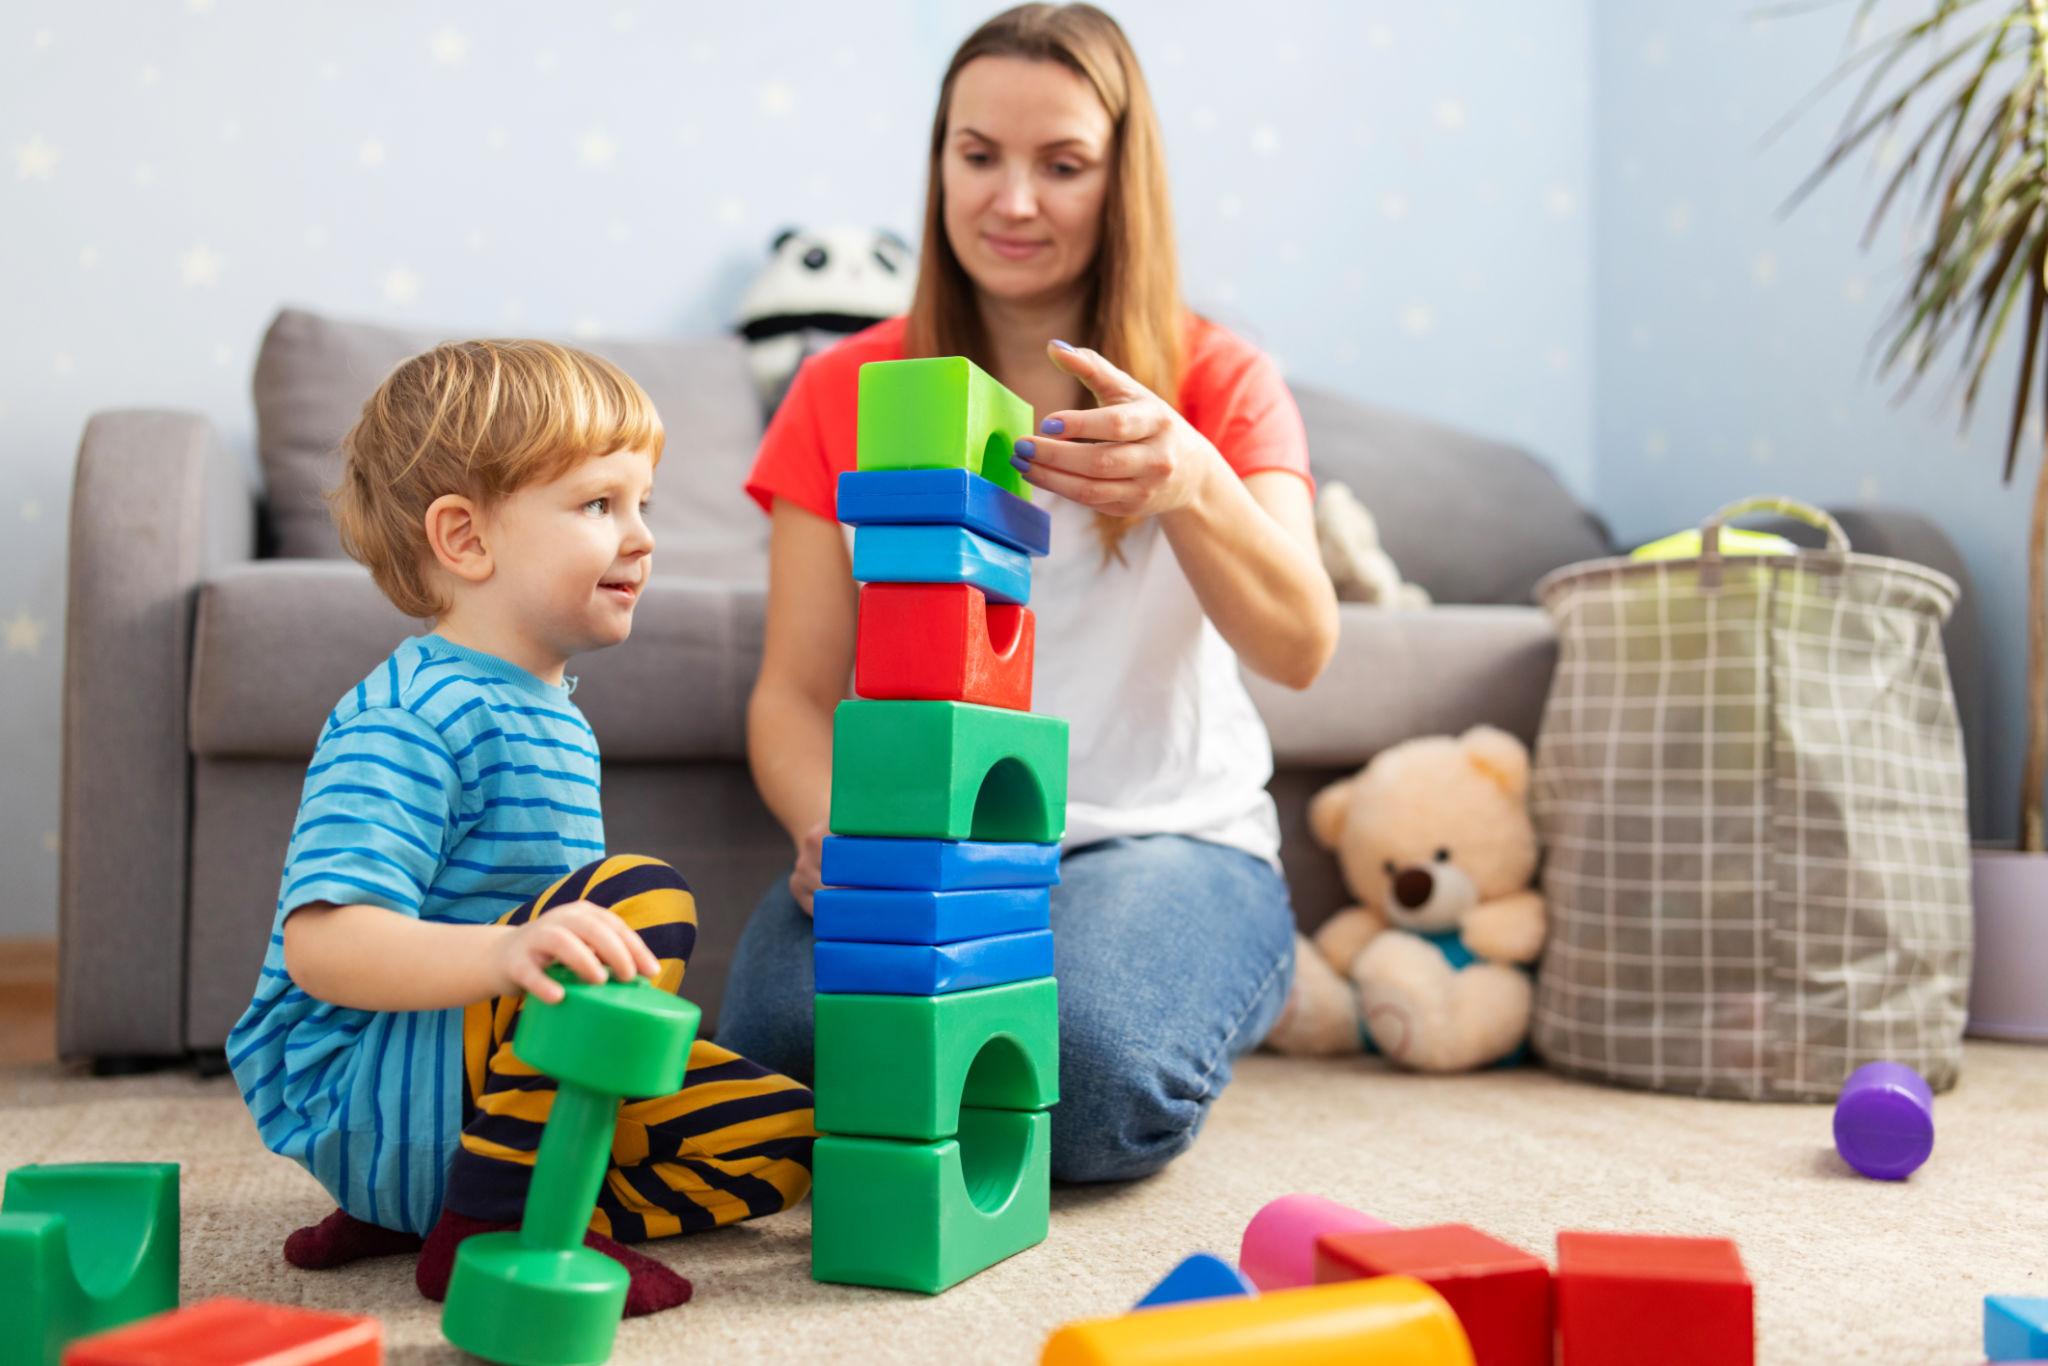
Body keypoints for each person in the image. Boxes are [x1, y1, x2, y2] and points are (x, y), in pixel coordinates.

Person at [719, 3, 1339, 1183]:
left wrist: (1193, 481)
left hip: (1164, 841)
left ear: (1122, 181)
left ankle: (1229, 968)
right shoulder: (839, 390)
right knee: (781, 1069)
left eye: (1061, 166)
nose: (1011, 201)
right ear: (938, 161)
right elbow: (793, 693)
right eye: (976, 156)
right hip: (929, 850)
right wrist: (825, 828)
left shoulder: (1218, 378)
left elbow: (1301, 645)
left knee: (1085, 1086)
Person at [224, 340, 814, 1316]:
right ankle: (494, 1219)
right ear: (463, 539)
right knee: (641, 897)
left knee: (788, 1137)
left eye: (644, 505)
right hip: (368, 1086)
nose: (642, 537)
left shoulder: (554, 714)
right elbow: (323, 947)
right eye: (597, 505)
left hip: (479, 1089)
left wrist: (544, 971)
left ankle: (469, 1194)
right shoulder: (411, 713)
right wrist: (509, 954)